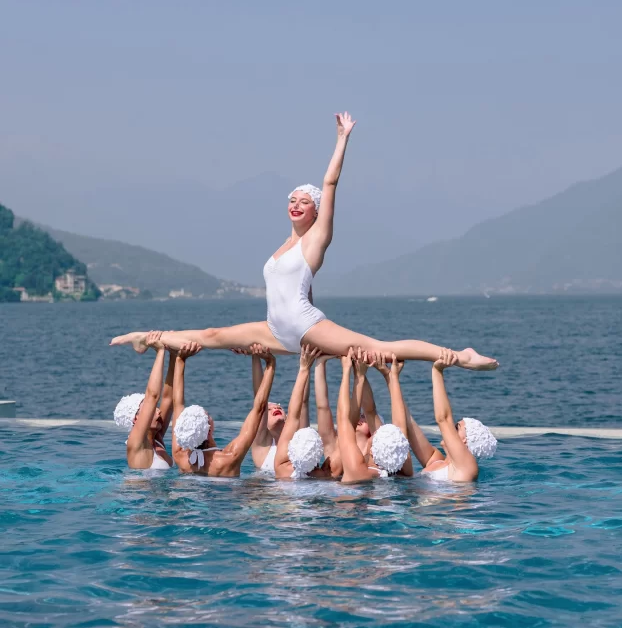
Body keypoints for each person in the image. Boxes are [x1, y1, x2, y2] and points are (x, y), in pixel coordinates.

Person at [111, 113, 498, 371]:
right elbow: (301, 288)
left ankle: (460, 357)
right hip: (275, 329)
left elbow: (329, 183)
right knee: (211, 337)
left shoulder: (316, 240)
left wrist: (342, 139)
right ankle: (146, 338)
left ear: (315, 212)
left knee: (380, 348)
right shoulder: (282, 246)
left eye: (304, 202)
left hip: (305, 326)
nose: (296, 205)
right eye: (292, 200)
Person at [171, 342, 276, 477]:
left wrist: (180, 360)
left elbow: (177, 404)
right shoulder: (229, 457)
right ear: (209, 429)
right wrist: (270, 363)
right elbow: (259, 408)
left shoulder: (180, 456)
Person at [405, 348, 498, 483]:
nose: (451, 429)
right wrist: (390, 374)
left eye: (456, 427)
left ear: (466, 441)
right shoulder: (436, 461)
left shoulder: (467, 468)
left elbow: (444, 419)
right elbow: (408, 422)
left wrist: (437, 371)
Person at [337, 349, 413, 484]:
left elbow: (343, 418)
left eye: (374, 438)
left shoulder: (357, 471)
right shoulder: (404, 470)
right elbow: (400, 425)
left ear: (372, 451)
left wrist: (348, 371)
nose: (374, 434)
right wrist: (392, 377)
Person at [113, 331, 186, 470]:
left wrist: (173, 355)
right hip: (138, 492)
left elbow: (168, 398)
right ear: (136, 419)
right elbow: (152, 396)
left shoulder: (156, 439)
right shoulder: (136, 444)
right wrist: (160, 352)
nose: (158, 412)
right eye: (151, 410)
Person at [235, 344, 310, 473]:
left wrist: (306, 362)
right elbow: (260, 400)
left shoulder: (299, 438)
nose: (275, 407)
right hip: (266, 492)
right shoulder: (263, 446)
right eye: (269, 410)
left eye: (278, 407)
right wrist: (255, 355)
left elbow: (303, 402)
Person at [274, 346, 332, 480]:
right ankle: (321, 362)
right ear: (320, 452)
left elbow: (293, 415)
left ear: (291, 450)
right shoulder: (326, 474)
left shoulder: (281, 469)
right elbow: (323, 408)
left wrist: (303, 368)